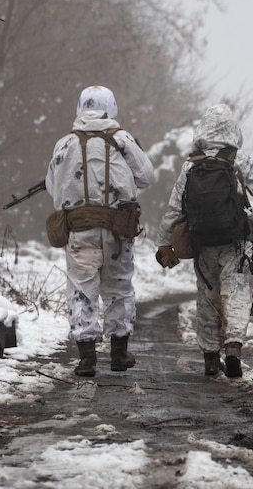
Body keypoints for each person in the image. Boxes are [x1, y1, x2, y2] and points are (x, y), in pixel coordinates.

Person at [155, 103, 253, 378]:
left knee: (207, 296)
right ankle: (233, 345)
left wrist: (164, 243)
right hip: (235, 240)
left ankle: (211, 357)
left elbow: (174, 209)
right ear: (232, 129)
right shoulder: (238, 159)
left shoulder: (191, 165)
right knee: (235, 290)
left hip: (202, 242)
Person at [45, 85, 154, 377]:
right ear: (112, 107)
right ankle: (119, 354)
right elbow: (145, 178)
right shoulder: (122, 140)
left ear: (80, 107)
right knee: (119, 289)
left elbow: (51, 186)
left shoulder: (64, 144)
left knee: (82, 290)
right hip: (118, 231)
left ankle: (86, 358)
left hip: (79, 231)